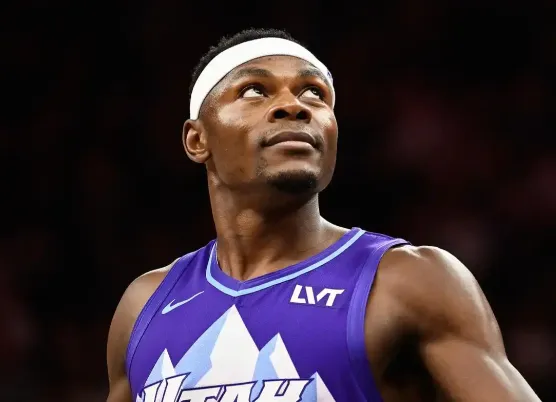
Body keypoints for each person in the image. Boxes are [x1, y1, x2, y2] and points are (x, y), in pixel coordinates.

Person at [106, 28, 541, 402]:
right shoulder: (144, 304)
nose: (294, 105)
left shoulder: (408, 281)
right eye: (254, 90)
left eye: (314, 93)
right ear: (197, 140)